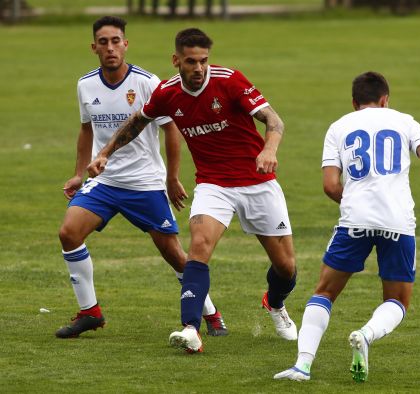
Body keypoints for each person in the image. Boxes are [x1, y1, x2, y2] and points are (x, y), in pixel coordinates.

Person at [87, 27, 298, 353]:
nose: (198, 68)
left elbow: (274, 120)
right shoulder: (167, 93)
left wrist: (269, 150)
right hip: (213, 184)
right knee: (199, 246)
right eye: (191, 62)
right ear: (176, 61)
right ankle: (191, 328)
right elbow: (136, 122)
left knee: (286, 267)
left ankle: (275, 302)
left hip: (257, 182)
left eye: (203, 61)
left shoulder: (230, 81)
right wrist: (103, 154)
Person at [274, 71, 420, 382]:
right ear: (385, 100)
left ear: (354, 102)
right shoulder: (405, 121)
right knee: (397, 300)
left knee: (325, 292)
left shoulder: (339, 126)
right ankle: (366, 334)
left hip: (354, 221)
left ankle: (302, 366)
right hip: (398, 222)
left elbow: (331, 185)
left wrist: (355, 202)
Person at [56, 16, 227, 339]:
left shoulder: (147, 82)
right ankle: (89, 312)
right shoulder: (86, 85)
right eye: (103, 42)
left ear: (126, 44)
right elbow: (85, 130)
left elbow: (171, 130)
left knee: (175, 254)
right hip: (104, 183)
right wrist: (80, 173)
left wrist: (171, 177)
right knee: (68, 233)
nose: (110, 47)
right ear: (94, 47)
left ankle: (211, 313)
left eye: (116, 40)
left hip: (145, 183)